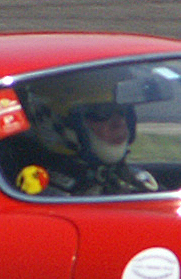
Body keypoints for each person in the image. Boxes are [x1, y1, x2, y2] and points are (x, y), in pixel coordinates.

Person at [11, 75, 159, 196]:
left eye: (123, 111)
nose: (119, 123)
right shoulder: (49, 197)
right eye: (102, 113)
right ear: (60, 123)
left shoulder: (130, 178)